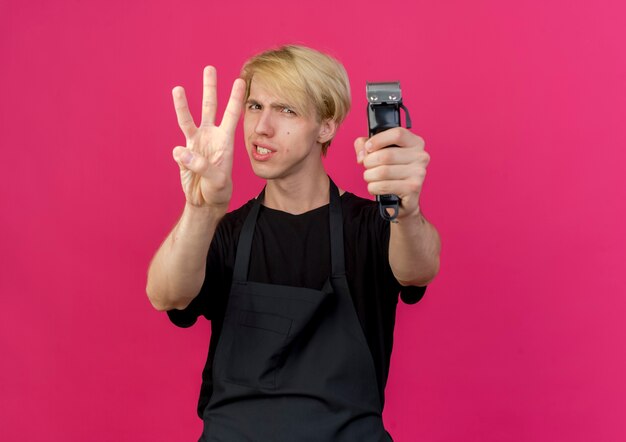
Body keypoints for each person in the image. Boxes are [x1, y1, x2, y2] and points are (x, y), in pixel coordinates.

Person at [146, 45, 441, 442]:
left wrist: (405, 208)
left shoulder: (373, 226)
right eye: (255, 106)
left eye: (286, 110)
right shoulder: (225, 231)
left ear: (326, 126)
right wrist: (200, 210)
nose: (261, 128)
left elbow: (419, 267)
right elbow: (167, 295)